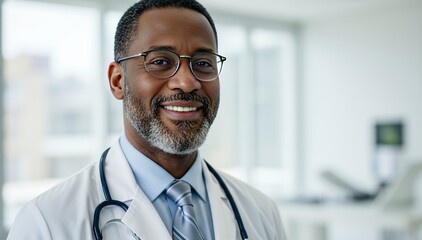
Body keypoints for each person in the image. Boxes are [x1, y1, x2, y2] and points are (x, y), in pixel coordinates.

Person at [7, 0, 287, 239]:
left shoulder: (260, 212)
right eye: (160, 62)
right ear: (118, 81)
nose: (187, 82)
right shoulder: (47, 222)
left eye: (203, 63)